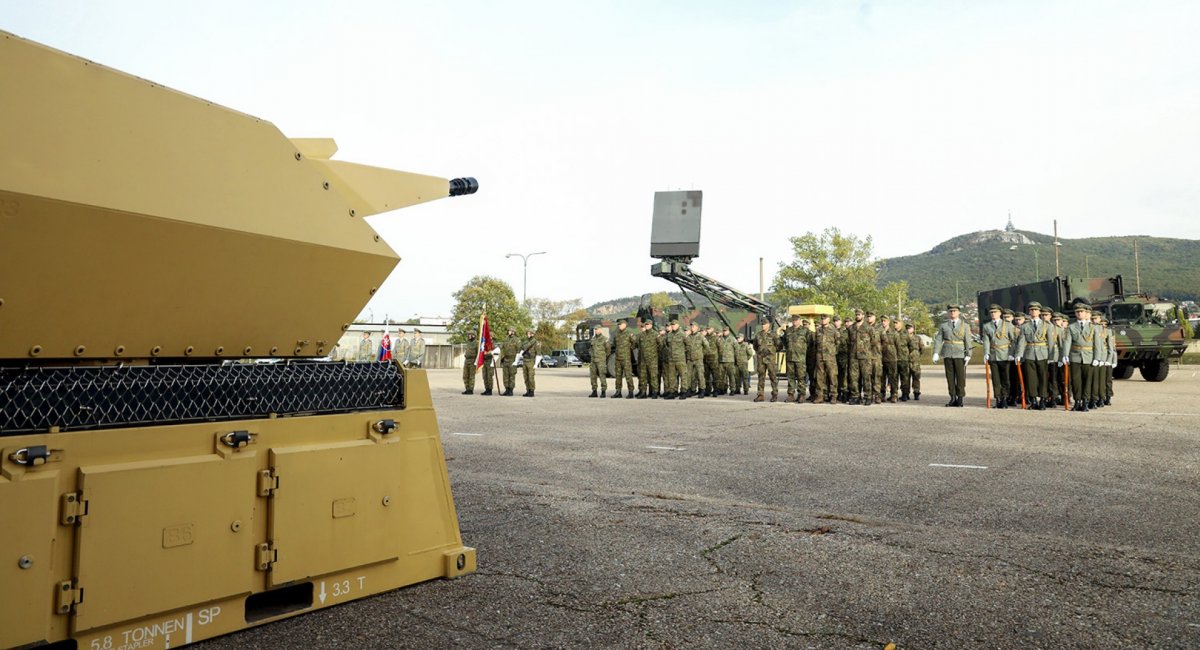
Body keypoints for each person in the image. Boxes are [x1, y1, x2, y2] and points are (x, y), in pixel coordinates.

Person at [932, 304, 972, 407]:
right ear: (948, 313)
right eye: (950, 311)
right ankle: (952, 397)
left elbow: (968, 341)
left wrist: (968, 354)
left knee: (960, 377)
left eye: (954, 311)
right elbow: (939, 339)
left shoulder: (965, 326)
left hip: (959, 353)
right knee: (950, 377)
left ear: (958, 312)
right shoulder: (944, 325)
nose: (952, 313)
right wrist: (936, 352)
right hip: (947, 353)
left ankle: (960, 398)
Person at [1015, 302, 1051, 410]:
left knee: (1043, 378)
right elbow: (1022, 342)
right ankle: (1034, 400)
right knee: (1031, 379)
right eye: (1031, 310)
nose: (1033, 312)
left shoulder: (1047, 325)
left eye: (1036, 310)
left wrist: (1051, 356)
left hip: (1042, 354)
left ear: (1039, 312)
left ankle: (1043, 400)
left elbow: (1051, 343)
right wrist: (1019, 355)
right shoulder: (1025, 326)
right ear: (1029, 312)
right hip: (1029, 354)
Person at [1066, 302, 1102, 412]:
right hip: (1075, 356)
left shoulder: (1094, 328)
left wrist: (1097, 358)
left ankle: (1085, 401)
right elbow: (1067, 342)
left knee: (1087, 381)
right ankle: (1077, 401)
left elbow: (1097, 344)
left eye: (1081, 312)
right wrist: (1065, 355)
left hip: (1089, 356)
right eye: (1077, 312)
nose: (1079, 314)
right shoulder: (1071, 327)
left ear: (1086, 313)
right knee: (1076, 381)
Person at [980, 304, 1013, 408]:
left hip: (1005, 354)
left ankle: (1004, 398)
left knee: (1006, 379)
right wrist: (986, 353)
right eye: (991, 312)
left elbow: (1013, 340)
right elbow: (986, 341)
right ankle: (998, 398)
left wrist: (1012, 353)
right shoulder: (987, 326)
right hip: (994, 355)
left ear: (1000, 313)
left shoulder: (1007, 325)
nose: (993, 314)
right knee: (995, 379)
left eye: (995, 312)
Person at [813, 313, 838, 404]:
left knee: (832, 376)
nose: (823, 320)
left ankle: (833, 395)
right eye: (822, 319)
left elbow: (838, 343)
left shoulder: (834, 331)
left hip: (830, 357)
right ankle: (820, 396)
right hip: (820, 357)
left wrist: (832, 352)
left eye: (825, 318)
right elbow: (816, 344)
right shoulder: (818, 331)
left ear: (829, 319)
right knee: (820, 377)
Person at [784, 315, 809, 403]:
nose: (794, 322)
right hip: (790, 357)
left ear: (800, 321)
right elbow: (785, 343)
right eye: (793, 320)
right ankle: (791, 395)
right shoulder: (788, 331)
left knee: (801, 377)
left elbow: (809, 343)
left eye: (796, 320)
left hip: (800, 358)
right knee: (790, 377)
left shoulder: (805, 331)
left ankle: (802, 395)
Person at [752, 319, 779, 402]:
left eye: (765, 324)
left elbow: (779, 345)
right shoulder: (758, 335)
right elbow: (755, 346)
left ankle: (774, 394)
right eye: (762, 324)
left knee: (773, 376)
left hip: (770, 359)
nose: (763, 326)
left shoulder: (774, 334)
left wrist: (772, 352)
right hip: (761, 359)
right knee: (761, 377)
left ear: (768, 325)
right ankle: (760, 395)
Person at [611, 319, 635, 398]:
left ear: (625, 325)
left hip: (626, 358)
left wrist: (629, 349)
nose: (619, 326)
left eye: (620, 324)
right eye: (618, 325)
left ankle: (631, 392)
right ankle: (618, 392)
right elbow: (614, 344)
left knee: (628, 376)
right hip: (618, 358)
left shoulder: (629, 334)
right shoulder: (617, 334)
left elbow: (634, 343)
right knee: (618, 376)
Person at [664, 320, 688, 399]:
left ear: (678, 325)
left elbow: (688, 345)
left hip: (680, 359)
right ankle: (673, 391)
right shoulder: (669, 335)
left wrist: (681, 353)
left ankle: (684, 391)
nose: (673, 326)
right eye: (672, 325)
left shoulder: (682, 334)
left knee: (683, 375)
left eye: (674, 324)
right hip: (671, 359)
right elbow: (666, 345)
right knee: (672, 376)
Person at [636, 320, 659, 399]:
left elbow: (661, 345)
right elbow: (638, 345)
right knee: (643, 377)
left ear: (651, 325)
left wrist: (654, 354)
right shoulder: (642, 335)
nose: (646, 325)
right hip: (643, 360)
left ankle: (655, 392)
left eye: (648, 324)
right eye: (645, 324)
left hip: (652, 360)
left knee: (653, 376)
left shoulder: (655, 334)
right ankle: (643, 392)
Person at [880, 314, 900, 403]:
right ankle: (882, 395)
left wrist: (896, 357)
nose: (883, 323)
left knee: (893, 378)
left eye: (885, 321)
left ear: (888, 322)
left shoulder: (894, 333)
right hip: (881, 358)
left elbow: (898, 346)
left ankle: (894, 395)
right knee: (881, 378)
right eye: (882, 321)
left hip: (892, 358)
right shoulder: (879, 332)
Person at [685, 322, 707, 398]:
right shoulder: (688, 337)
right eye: (691, 326)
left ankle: (702, 390)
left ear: (697, 327)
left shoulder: (701, 336)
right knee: (688, 376)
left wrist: (701, 354)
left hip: (698, 359)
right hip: (690, 359)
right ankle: (689, 390)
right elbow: (685, 347)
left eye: (694, 326)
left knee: (700, 375)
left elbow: (706, 346)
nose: (692, 328)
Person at [589, 325, 609, 398]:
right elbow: (590, 349)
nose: (596, 331)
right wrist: (591, 355)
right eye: (595, 329)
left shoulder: (605, 339)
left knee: (602, 376)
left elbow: (608, 350)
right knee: (593, 376)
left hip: (601, 360)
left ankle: (603, 391)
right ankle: (594, 391)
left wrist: (603, 357)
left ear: (601, 330)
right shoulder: (593, 339)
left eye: (597, 329)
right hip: (593, 361)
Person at [499, 327, 520, 396]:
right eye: (508, 331)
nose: (509, 332)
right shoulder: (505, 339)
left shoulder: (516, 340)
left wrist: (516, 361)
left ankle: (511, 390)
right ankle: (506, 389)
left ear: (513, 332)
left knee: (511, 376)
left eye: (510, 331)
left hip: (512, 360)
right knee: (505, 376)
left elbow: (518, 351)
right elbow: (500, 347)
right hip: (506, 359)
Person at [894, 317, 910, 402]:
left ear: (901, 324)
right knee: (894, 378)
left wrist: (907, 356)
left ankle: (905, 394)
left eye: (896, 323)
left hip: (903, 359)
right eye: (894, 323)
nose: (895, 324)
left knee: (904, 378)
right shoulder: (892, 333)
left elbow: (911, 346)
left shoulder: (905, 333)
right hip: (894, 358)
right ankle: (894, 394)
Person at [905, 323, 923, 400]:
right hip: (906, 360)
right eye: (907, 328)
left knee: (916, 377)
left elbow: (922, 348)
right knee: (906, 378)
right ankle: (906, 393)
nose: (908, 329)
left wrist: (917, 355)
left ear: (913, 329)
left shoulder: (918, 338)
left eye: (910, 328)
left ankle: (916, 392)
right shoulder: (903, 338)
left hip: (915, 361)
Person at [717, 326, 736, 396]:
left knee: (731, 376)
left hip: (729, 360)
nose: (724, 332)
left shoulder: (732, 339)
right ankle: (722, 389)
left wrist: (736, 360)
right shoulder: (720, 339)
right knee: (721, 376)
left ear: (728, 331)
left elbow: (736, 349)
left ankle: (732, 389)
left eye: (725, 331)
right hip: (721, 360)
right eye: (723, 331)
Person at [519, 328, 537, 397]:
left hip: (531, 361)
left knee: (531, 377)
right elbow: (522, 347)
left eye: (529, 333)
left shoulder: (535, 342)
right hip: (525, 360)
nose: (527, 334)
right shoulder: (525, 341)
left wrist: (536, 364)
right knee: (525, 377)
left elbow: (538, 353)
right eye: (527, 333)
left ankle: (532, 391)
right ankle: (528, 390)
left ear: (532, 334)